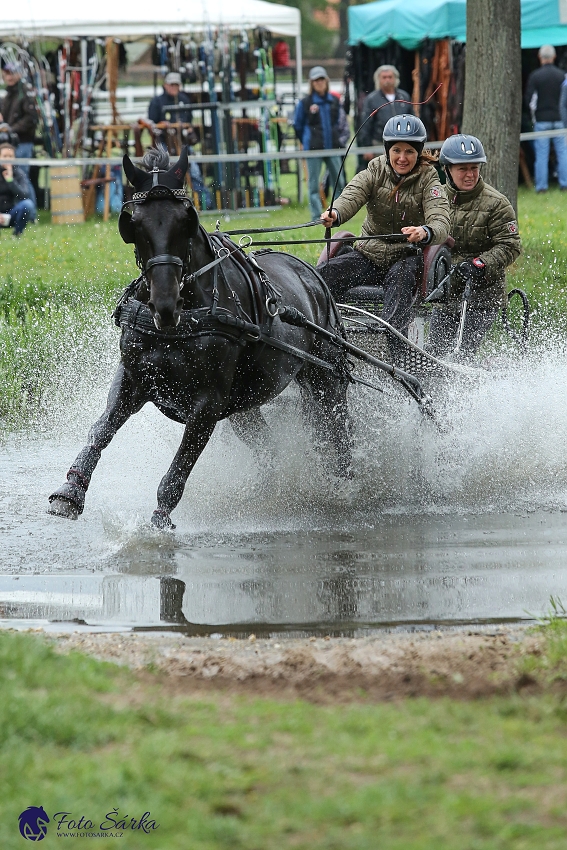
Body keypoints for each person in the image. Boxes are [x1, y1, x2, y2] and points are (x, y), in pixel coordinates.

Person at [317, 115, 450, 346]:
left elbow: (441, 221)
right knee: (322, 276)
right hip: (368, 255)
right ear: (387, 150)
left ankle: (392, 351)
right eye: (396, 150)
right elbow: (352, 195)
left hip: (407, 257)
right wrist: (335, 214)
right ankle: (321, 338)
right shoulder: (374, 170)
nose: (402, 157)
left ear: (418, 152)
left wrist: (424, 231)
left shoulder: (429, 178)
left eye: (409, 151)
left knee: (399, 289)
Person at [426, 134, 522, 358]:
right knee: (434, 354)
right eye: (462, 169)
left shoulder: (497, 204)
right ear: (447, 169)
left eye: (474, 168)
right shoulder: (434, 198)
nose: (469, 175)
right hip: (444, 294)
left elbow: (510, 245)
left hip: (482, 295)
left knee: (461, 354)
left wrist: (481, 264)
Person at [294, 65, 350, 221]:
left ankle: (340, 213)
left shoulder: (334, 100)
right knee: (313, 184)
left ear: (326, 81)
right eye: (316, 80)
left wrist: (340, 139)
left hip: (333, 147)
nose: (319, 82)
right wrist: (306, 141)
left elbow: (341, 122)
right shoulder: (305, 103)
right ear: (311, 83)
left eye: (321, 79)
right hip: (313, 149)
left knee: (339, 183)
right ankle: (315, 216)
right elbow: (298, 125)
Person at [148, 72, 209, 206]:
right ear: (166, 85)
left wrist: (185, 127)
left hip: (182, 141)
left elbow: (189, 121)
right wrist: (162, 125)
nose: (174, 87)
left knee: (194, 170)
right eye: (172, 85)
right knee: (164, 166)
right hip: (164, 141)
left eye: (176, 85)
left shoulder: (184, 100)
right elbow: (151, 123)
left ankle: (205, 202)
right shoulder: (157, 101)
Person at [525, 45, 567, 193]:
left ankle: (542, 187)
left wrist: (533, 116)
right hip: (560, 119)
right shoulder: (562, 75)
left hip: (542, 120)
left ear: (540, 57)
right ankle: (565, 184)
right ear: (554, 57)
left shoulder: (535, 76)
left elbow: (529, 100)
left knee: (541, 154)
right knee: (563, 152)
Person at [358, 65, 413, 162]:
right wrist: (367, 148)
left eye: (390, 77)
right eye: (384, 77)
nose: (387, 80)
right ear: (378, 79)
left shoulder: (404, 96)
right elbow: (365, 125)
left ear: (396, 78)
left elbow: (413, 119)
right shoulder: (372, 99)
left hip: (404, 143)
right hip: (380, 144)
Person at [0, 63, 38, 176]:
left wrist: (10, 129)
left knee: (21, 177)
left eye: (12, 73)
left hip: (23, 142)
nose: (9, 77)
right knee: (10, 177)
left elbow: (31, 118)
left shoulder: (26, 92)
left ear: (20, 74)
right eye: (6, 74)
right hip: (10, 143)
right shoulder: (7, 94)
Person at [0, 142, 37, 236]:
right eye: (5, 156)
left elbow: (24, 194)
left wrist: (10, 180)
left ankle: (17, 234)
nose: (8, 159)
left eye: (10, 156)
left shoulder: (19, 173)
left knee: (28, 204)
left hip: (12, 213)